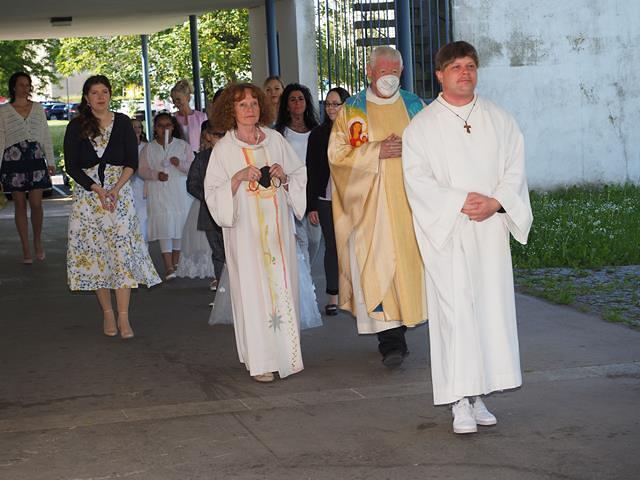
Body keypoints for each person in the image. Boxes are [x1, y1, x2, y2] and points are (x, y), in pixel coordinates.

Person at [402, 41, 533, 434]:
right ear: (440, 75)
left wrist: (496, 202)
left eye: (471, 66)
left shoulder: (499, 119)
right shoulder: (422, 127)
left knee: (489, 312)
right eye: (456, 67)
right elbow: (417, 180)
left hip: (489, 231)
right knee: (455, 314)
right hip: (449, 233)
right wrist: (459, 201)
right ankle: (459, 399)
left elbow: (515, 169)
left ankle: (478, 395)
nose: (465, 73)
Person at [328, 46, 427, 368]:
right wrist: (375, 151)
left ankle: (405, 325)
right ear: (369, 72)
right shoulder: (352, 111)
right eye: (383, 71)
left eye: (394, 71)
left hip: (410, 205)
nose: (389, 77)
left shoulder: (416, 106)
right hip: (370, 208)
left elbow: (436, 148)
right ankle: (391, 340)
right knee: (378, 268)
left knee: (407, 269)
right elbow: (337, 156)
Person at [204, 83, 307, 383]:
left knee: (282, 288)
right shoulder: (224, 150)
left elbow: (299, 174)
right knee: (253, 293)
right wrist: (236, 178)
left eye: (253, 103)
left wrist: (284, 177)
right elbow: (212, 193)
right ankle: (261, 361)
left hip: (278, 235)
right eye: (242, 105)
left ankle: (286, 354)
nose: (250, 109)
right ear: (231, 111)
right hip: (246, 235)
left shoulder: (275, 140)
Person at [64, 75, 161, 339]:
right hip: (89, 197)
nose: (100, 97)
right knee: (97, 256)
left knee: (121, 254)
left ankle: (124, 317)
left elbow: (131, 161)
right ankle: (108, 313)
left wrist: (115, 189)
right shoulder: (76, 126)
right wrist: (97, 189)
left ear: (110, 94)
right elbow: (72, 166)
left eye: (104, 91)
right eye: (94, 92)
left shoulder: (123, 123)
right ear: (87, 98)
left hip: (120, 195)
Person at [0, 72, 55, 264]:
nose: (25, 88)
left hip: (35, 157)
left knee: (36, 204)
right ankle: (25, 247)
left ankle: (37, 241)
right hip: (12, 158)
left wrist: (51, 160)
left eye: (28, 84)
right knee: (20, 204)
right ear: (14, 87)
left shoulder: (38, 108)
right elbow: (0, 139)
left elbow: (45, 134)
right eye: (21, 84)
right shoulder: (4, 111)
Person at [306, 87, 350, 316]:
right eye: (328, 104)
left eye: (336, 104)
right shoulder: (318, 134)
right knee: (332, 246)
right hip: (326, 199)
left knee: (355, 245)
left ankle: (358, 296)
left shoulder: (357, 130)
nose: (331, 108)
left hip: (353, 199)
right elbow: (312, 171)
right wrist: (311, 205)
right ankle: (333, 296)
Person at [138, 112, 194, 280]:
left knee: (178, 226)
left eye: (168, 125)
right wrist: (156, 175)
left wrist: (179, 164)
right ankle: (168, 266)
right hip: (158, 192)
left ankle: (176, 263)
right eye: (160, 126)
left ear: (173, 127)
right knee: (164, 227)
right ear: (155, 128)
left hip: (179, 191)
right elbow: (142, 170)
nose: (164, 129)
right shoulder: (149, 148)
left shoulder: (182, 145)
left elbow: (193, 168)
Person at [274, 83, 322, 268]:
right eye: (292, 99)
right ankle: (306, 280)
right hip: (292, 190)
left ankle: (305, 272)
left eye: (300, 99)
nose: (297, 103)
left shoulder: (317, 130)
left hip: (313, 190)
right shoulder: (280, 133)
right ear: (286, 105)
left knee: (314, 239)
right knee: (301, 240)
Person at [179, 121, 224, 282]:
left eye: (224, 135)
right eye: (217, 135)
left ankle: (236, 290)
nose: (221, 138)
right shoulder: (202, 158)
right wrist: (208, 196)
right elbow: (191, 184)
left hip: (234, 211)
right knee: (218, 253)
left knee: (235, 253)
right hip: (209, 213)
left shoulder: (236, 156)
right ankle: (222, 288)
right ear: (209, 136)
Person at [170, 79, 207, 152]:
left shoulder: (201, 117)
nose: (176, 103)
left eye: (178, 99)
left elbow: (206, 139)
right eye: (174, 100)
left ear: (187, 97)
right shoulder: (172, 118)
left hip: (198, 155)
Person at [129, 118, 148, 243]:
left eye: (139, 127)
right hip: (129, 183)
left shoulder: (146, 146)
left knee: (143, 216)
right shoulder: (123, 145)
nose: (136, 129)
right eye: (133, 127)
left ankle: (143, 244)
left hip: (143, 185)